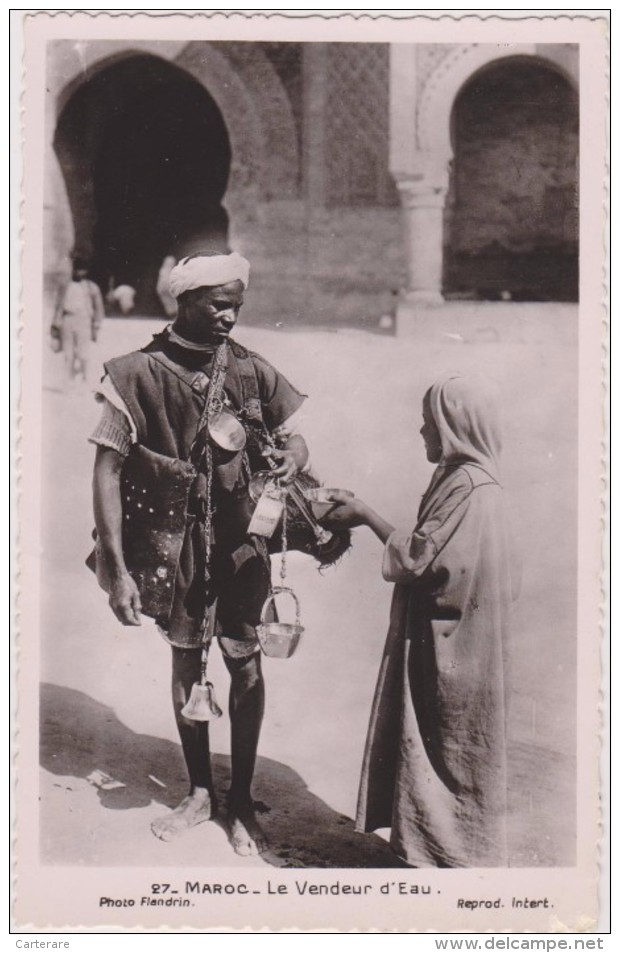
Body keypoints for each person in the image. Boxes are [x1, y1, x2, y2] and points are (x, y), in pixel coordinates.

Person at [89, 251, 309, 855]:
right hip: (175, 551)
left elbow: (294, 437)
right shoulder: (134, 375)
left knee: (246, 663)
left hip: (243, 551)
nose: (230, 316)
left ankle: (240, 802)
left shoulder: (248, 369)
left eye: (237, 304)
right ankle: (198, 791)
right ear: (183, 302)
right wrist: (116, 569)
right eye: (218, 304)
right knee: (188, 667)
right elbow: (106, 470)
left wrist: (295, 457)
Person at [321, 372, 517, 867]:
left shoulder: (470, 488)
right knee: (442, 743)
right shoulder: (467, 480)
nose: (422, 431)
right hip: (464, 638)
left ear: (454, 428)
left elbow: (417, 559)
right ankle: (432, 847)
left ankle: (450, 854)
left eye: (429, 422)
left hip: (452, 643)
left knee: (445, 745)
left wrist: (364, 513)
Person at [52, 258, 105, 390]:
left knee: (83, 353)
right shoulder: (65, 286)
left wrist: (96, 324)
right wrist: (55, 324)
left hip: (84, 320)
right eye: (76, 269)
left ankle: (84, 378)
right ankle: (68, 380)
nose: (78, 272)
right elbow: (58, 305)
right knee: (68, 353)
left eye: (81, 270)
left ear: (86, 271)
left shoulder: (91, 287)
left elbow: (98, 307)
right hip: (67, 319)